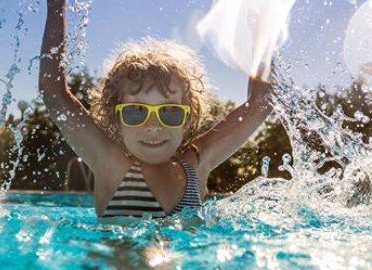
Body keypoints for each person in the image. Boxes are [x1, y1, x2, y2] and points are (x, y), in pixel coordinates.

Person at [39, 0, 273, 218]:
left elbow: (261, 103)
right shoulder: (109, 161)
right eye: (136, 112)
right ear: (116, 118)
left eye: (169, 112)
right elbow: (53, 92)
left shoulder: (197, 162)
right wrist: (55, 6)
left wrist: (262, 31)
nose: (153, 126)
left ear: (187, 117)